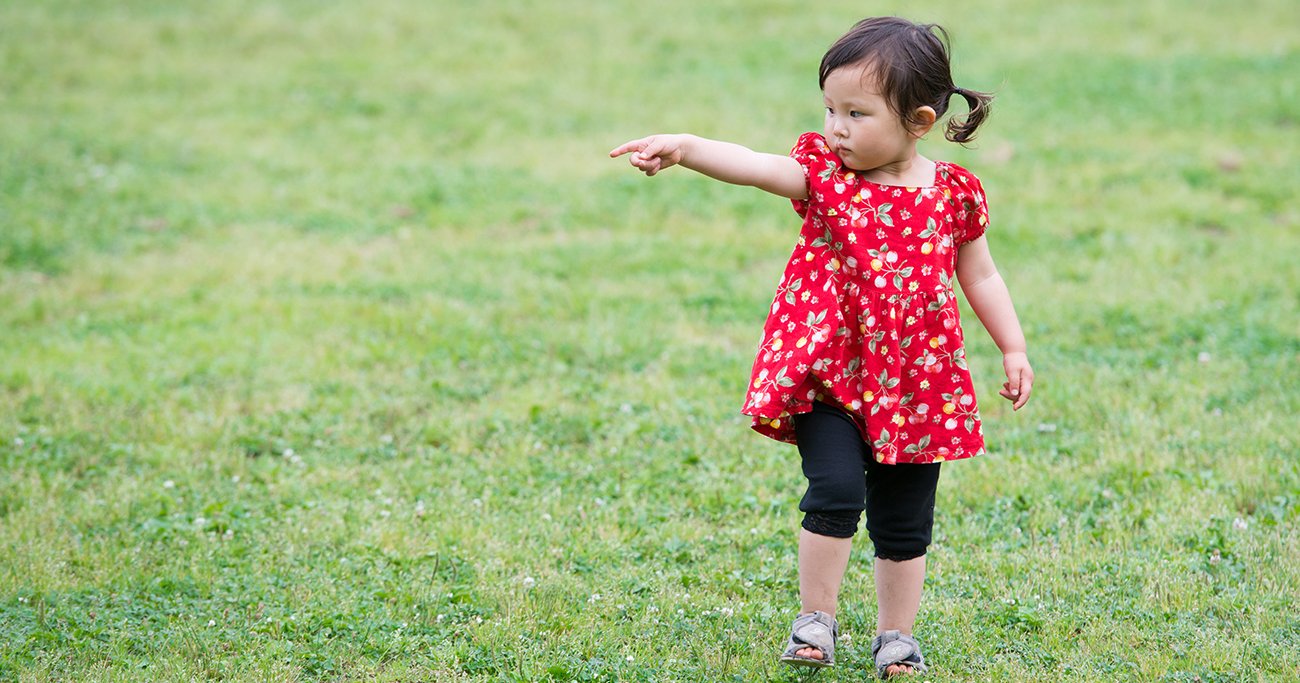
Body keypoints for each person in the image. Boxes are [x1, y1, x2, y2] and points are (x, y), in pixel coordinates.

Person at [610, 16, 1033, 679]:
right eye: (830, 108)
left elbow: (979, 274)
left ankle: (897, 636)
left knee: (905, 521)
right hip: (829, 377)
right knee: (833, 492)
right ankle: (816, 620)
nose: (836, 127)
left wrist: (1013, 347)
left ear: (918, 121)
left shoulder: (953, 195)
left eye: (856, 113)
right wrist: (687, 147)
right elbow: (758, 168)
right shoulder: (827, 178)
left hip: (918, 386)